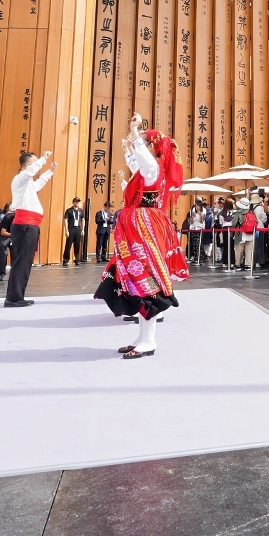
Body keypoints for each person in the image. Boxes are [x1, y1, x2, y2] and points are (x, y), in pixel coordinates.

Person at [94, 113, 189, 359]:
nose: (140, 148)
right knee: (136, 280)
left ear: (151, 147)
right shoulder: (147, 171)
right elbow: (136, 162)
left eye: (144, 144)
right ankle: (142, 338)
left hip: (143, 227)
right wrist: (129, 146)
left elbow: (142, 159)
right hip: (136, 227)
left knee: (146, 279)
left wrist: (135, 130)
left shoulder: (153, 168)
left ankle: (149, 341)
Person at [5, 149, 56, 307]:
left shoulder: (28, 184)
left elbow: (39, 183)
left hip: (30, 225)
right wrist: (43, 159)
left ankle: (17, 296)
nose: (37, 166)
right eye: (34, 163)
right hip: (24, 225)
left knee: (25, 262)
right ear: (28, 164)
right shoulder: (19, 178)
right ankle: (13, 298)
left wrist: (49, 171)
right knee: (21, 262)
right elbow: (30, 173)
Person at [233, 198, 257, 271]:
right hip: (251, 233)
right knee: (249, 250)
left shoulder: (238, 213)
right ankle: (248, 265)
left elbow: (234, 224)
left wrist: (232, 231)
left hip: (241, 234)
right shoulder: (252, 212)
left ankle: (238, 264)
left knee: (239, 249)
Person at [0, 202, 14, 280]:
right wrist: (14, 234)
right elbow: (3, 232)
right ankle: (1, 273)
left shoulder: (20, 216)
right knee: (2, 255)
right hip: (3, 237)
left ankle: (15, 274)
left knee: (15, 255)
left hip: (13, 236)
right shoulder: (7, 217)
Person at [62, 197, 85, 265]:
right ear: (73, 202)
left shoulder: (81, 211)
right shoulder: (69, 210)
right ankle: (66, 260)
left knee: (77, 245)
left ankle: (77, 259)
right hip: (71, 229)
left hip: (78, 229)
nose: (77, 203)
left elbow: (83, 220)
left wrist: (83, 230)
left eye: (78, 201)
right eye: (75, 201)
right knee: (68, 245)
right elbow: (65, 220)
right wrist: (66, 230)